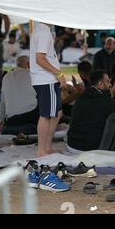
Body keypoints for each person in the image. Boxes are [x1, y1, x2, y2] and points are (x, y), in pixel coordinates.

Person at [30, 22, 66, 156]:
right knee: (46, 115)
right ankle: (42, 150)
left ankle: (46, 147)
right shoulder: (43, 32)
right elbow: (40, 59)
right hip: (46, 79)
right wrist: (59, 73)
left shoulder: (42, 30)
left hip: (46, 79)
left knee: (58, 112)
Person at [0, 56, 39, 134]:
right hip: (30, 117)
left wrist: (0, 121)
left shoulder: (6, 77)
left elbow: (2, 103)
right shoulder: (34, 76)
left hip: (11, 120)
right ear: (29, 64)